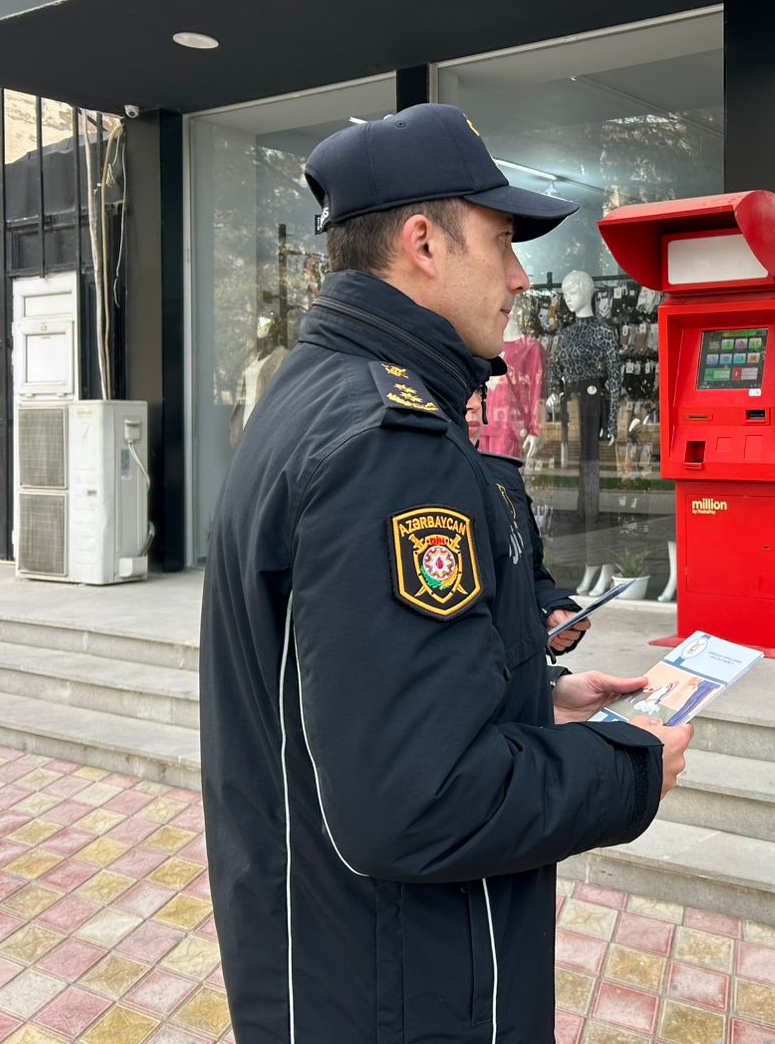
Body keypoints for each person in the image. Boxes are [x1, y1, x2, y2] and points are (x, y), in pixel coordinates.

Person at [200, 103, 693, 1043]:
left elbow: (359, 697)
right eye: (503, 242)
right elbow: (413, 802)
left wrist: (530, 696)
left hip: (339, 964)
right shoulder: (388, 445)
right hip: (401, 991)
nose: (520, 276)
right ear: (423, 243)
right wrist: (624, 768)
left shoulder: (318, 394)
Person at [468, 381, 590, 657]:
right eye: (460, 389)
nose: (473, 404)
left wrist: (551, 610)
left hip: (520, 675)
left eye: (478, 390)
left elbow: (529, 570)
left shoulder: (505, 476)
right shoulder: (408, 486)